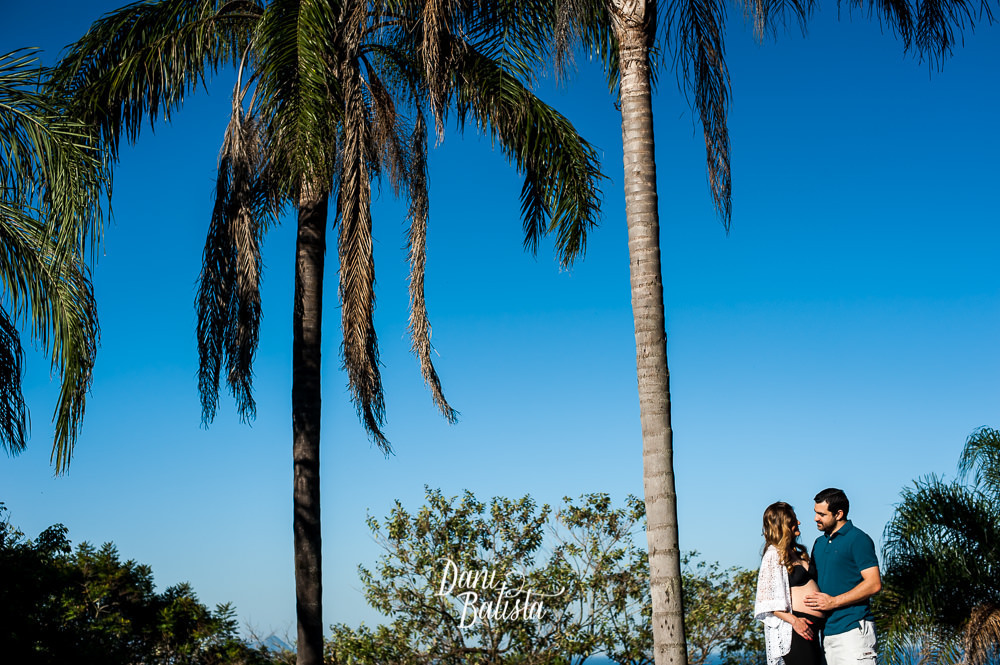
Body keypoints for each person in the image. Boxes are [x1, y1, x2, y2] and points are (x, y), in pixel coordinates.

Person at [804, 488, 882, 665]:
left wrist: (834, 602)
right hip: (826, 634)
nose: (816, 518)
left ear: (839, 514)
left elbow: (874, 583)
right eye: (816, 513)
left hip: (853, 631)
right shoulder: (819, 542)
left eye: (821, 514)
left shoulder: (858, 539)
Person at [754, 502, 827, 665]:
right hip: (797, 630)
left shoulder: (796, 553)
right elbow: (766, 602)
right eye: (794, 520)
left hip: (814, 630)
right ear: (783, 525)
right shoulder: (773, 555)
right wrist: (795, 621)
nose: (799, 523)